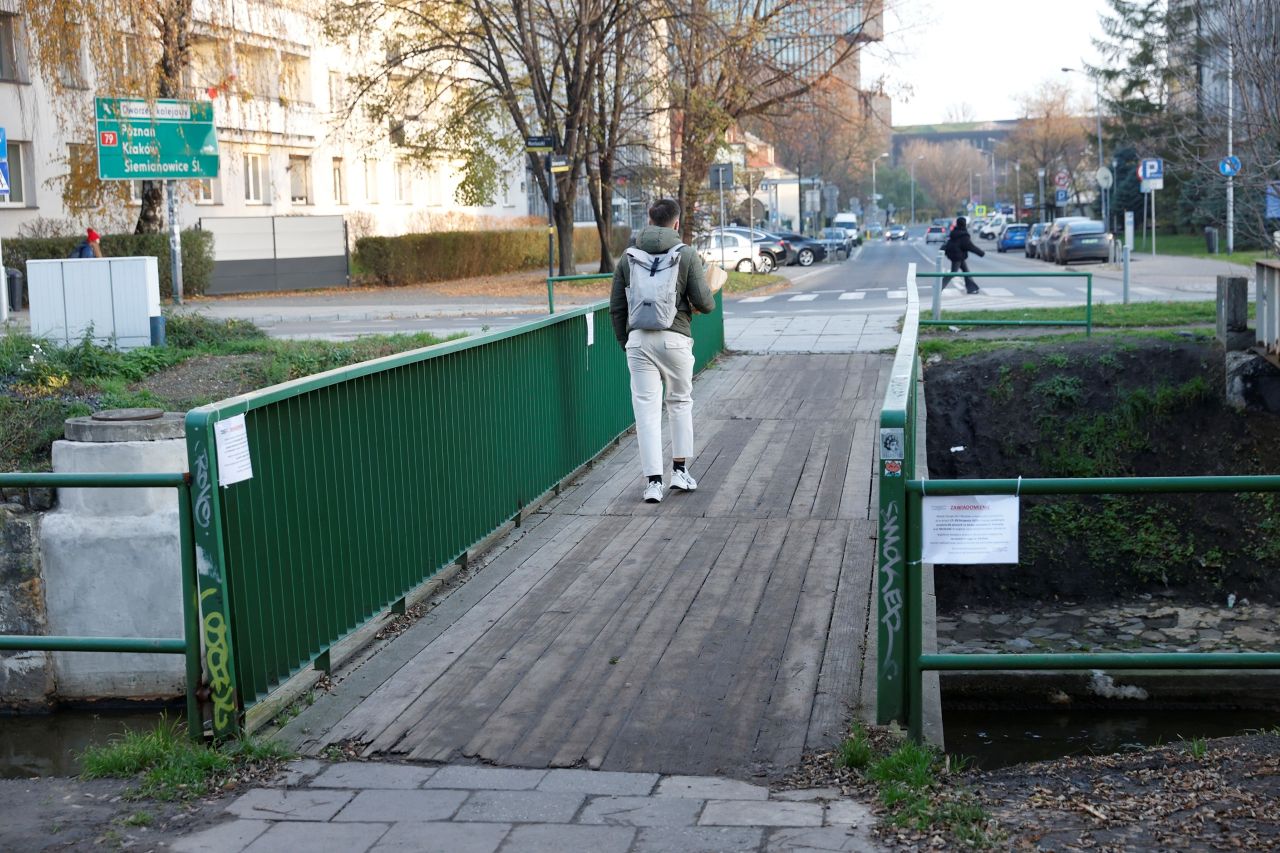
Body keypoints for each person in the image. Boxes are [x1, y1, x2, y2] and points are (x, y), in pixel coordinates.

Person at [610, 198, 715, 503]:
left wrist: (627, 342)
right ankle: (680, 472)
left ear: (649, 219)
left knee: (646, 411)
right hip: (675, 338)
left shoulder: (628, 257)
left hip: (638, 341)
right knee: (679, 403)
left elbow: (616, 308)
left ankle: (653, 483)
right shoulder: (686, 254)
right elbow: (705, 303)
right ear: (676, 223)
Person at [941, 216, 984, 294]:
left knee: (966, 271)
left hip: (956, 255)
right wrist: (981, 253)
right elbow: (970, 246)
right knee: (954, 272)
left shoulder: (955, 232)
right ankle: (939, 286)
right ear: (964, 224)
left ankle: (972, 289)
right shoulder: (963, 235)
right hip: (957, 256)